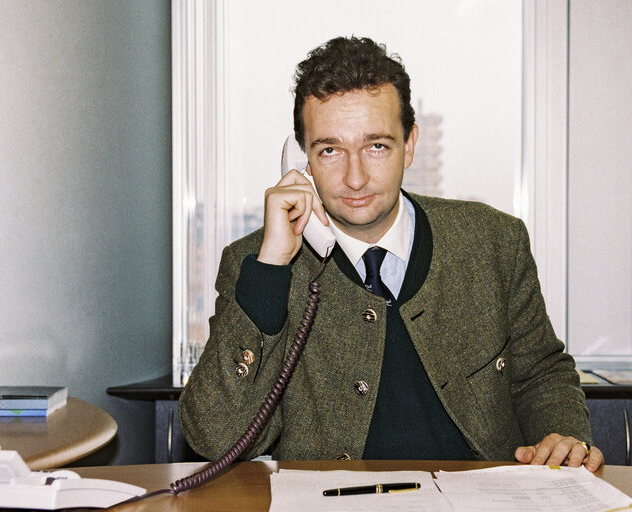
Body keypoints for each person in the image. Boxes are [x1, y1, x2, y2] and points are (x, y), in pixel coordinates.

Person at [178, 36, 603, 471]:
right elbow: (215, 439)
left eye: (376, 146)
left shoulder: (493, 241)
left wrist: (563, 434)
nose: (356, 177)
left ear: (410, 144)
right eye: (330, 150)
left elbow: (541, 375)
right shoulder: (257, 263)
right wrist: (271, 269)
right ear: (301, 158)